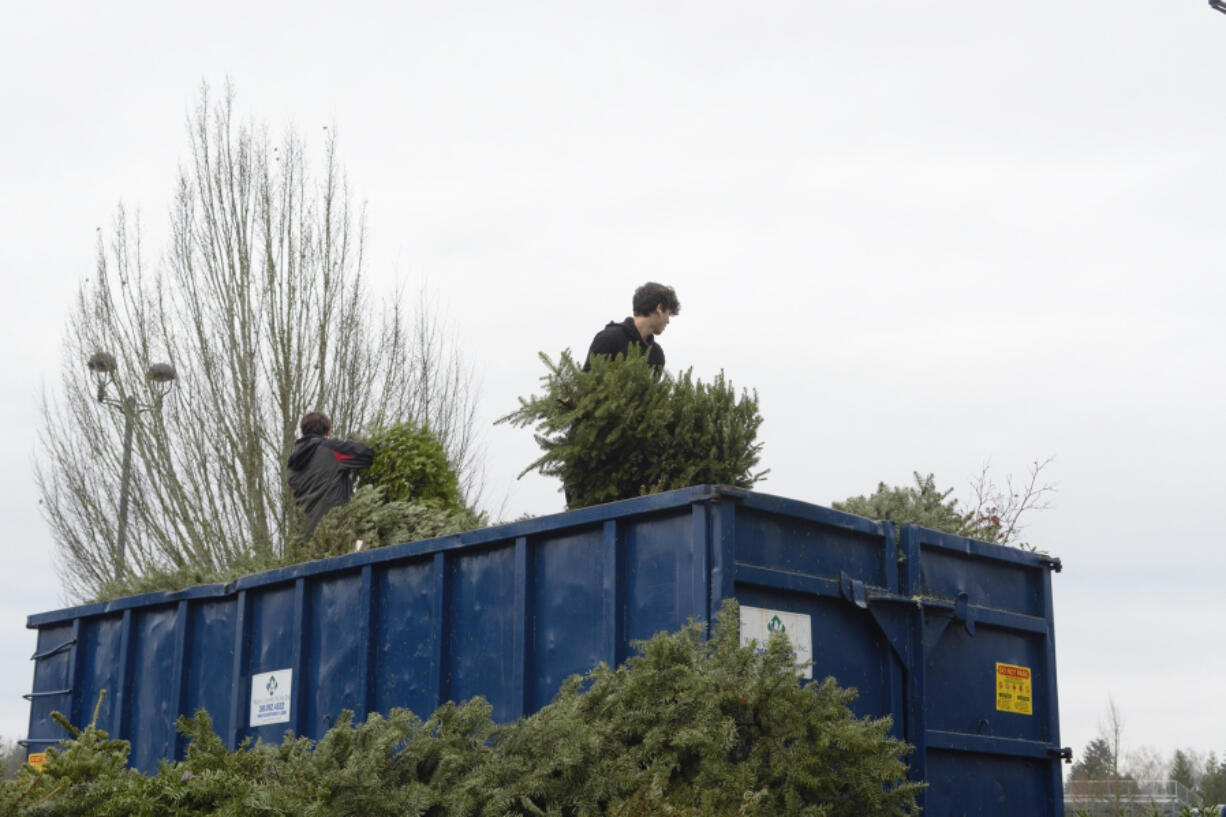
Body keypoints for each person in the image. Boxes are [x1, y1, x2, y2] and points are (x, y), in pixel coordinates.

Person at [287, 411, 374, 530]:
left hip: (305, 533)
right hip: (334, 529)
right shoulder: (332, 450)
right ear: (328, 432)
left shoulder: (292, 463)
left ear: (302, 433)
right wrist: (356, 440)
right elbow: (367, 455)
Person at [584, 282, 680, 371]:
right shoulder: (608, 339)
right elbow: (586, 384)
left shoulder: (657, 355)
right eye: (669, 313)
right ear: (659, 309)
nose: (668, 321)